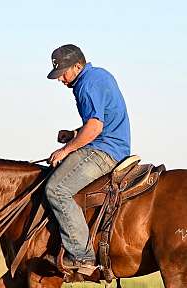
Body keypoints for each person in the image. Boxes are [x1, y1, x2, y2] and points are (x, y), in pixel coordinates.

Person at [44, 44, 131, 274]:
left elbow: (94, 126)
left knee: (56, 189)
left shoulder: (86, 84)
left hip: (105, 151)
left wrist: (65, 150)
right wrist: (73, 135)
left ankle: (82, 256)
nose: (61, 79)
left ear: (78, 66)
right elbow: (103, 121)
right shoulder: (98, 76)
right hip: (112, 145)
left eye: (63, 73)